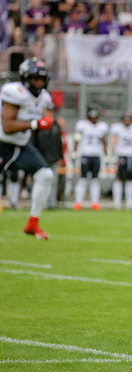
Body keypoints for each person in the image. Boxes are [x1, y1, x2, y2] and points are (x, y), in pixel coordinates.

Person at [0, 58, 55, 239]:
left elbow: (48, 116)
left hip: (21, 145)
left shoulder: (44, 97)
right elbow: (7, 126)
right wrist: (36, 124)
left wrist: (47, 121)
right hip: (2, 143)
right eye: (35, 78)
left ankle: (33, 223)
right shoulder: (14, 92)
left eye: (42, 79)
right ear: (25, 77)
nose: (39, 82)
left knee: (45, 175)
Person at [73, 108, 108, 210]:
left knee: (95, 179)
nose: (94, 119)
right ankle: (78, 202)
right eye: (92, 117)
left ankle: (95, 203)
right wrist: (75, 151)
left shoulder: (102, 127)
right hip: (86, 155)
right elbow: (77, 137)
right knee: (83, 179)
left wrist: (106, 154)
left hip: (96, 156)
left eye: (95, 117)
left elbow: (104, 140)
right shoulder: (83, 125)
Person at [30, 103, 64, 210]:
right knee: (39, 180)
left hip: (53, 157)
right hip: (40, 157)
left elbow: (59, 142)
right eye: (48, 111)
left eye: (52, 111)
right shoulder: (38, 124)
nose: (50, 113)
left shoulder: (56, 125)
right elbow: (33, 141)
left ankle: (51, 204)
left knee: (53, 181)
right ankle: (36, 204)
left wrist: (60, 156)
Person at [110, 109, 132, 210]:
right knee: (119, 178)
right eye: (125, 118)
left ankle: (129, 202)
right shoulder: (117, 127)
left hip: (131, 155)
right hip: (121, 155)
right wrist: (113, 154)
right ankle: (117, 202)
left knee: (131, 179)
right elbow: (113, 141)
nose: (127, 120)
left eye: (129, 118)